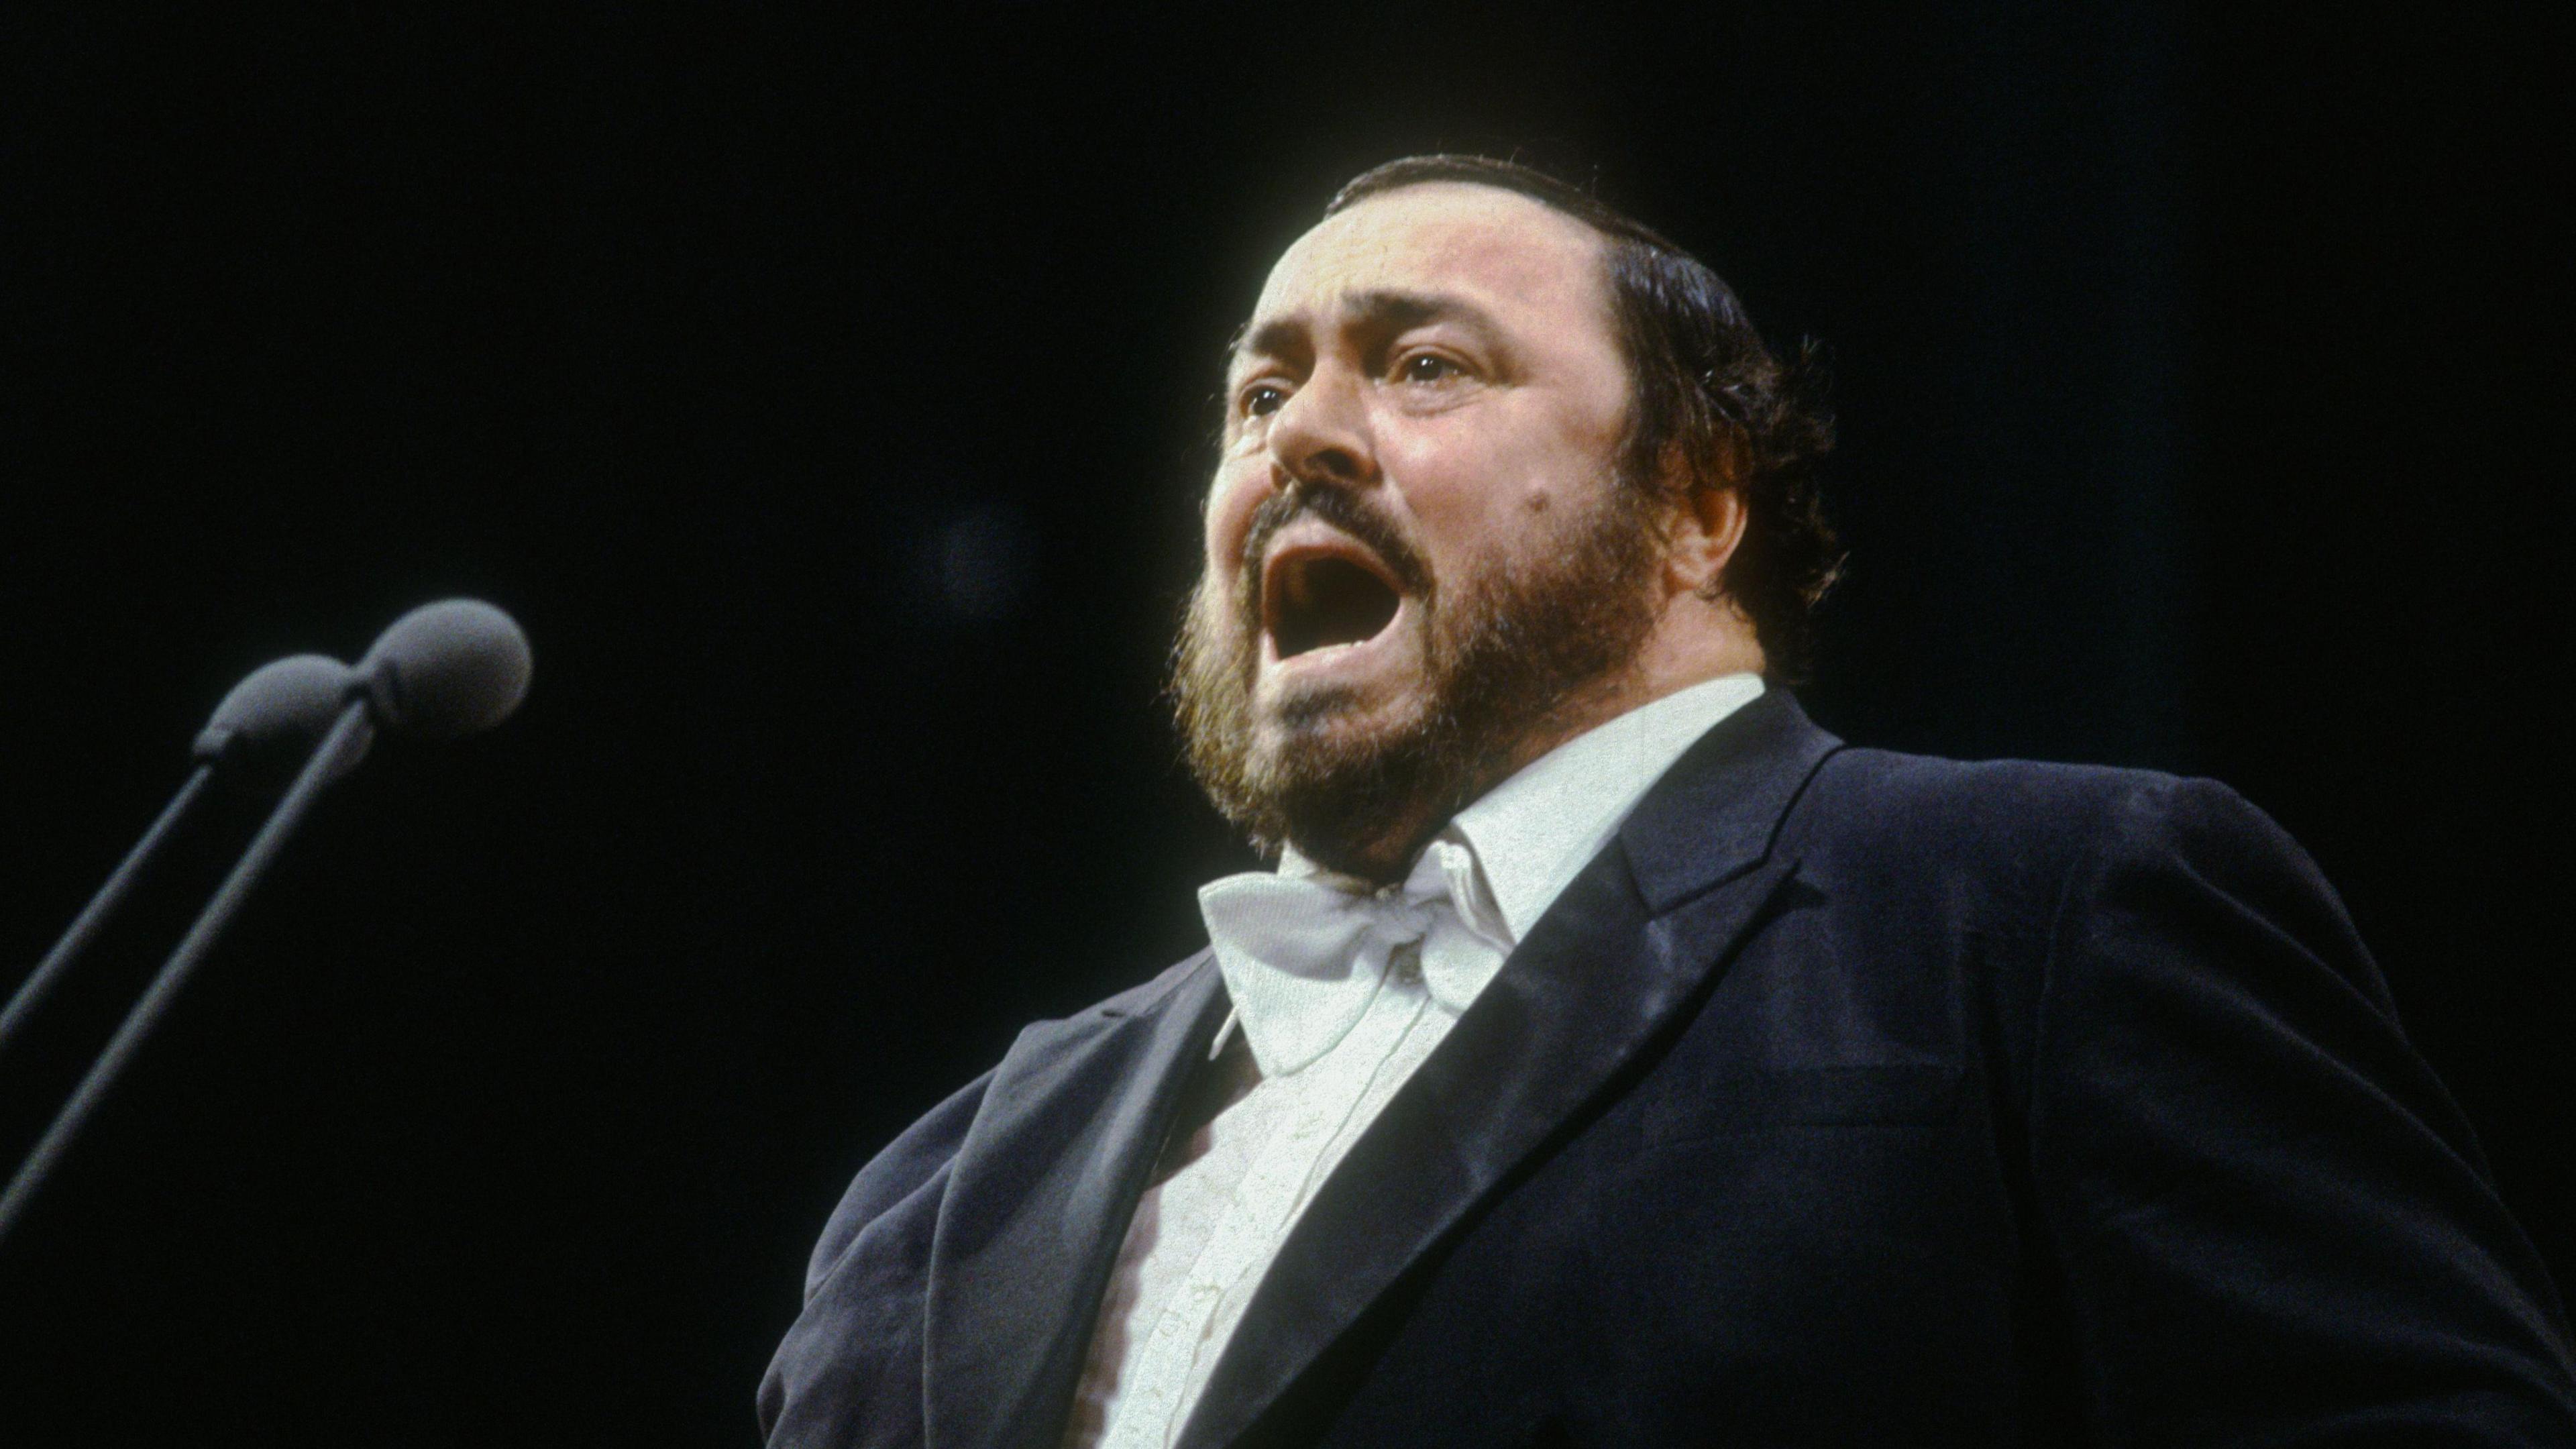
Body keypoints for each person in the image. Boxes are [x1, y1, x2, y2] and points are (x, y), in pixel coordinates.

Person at [758, 155, 2576, 1448]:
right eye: (1256, 395)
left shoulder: (2037, 913)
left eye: (1422, 365)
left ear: (1699, 508)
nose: (1298, 437)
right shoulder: (946, 1183)